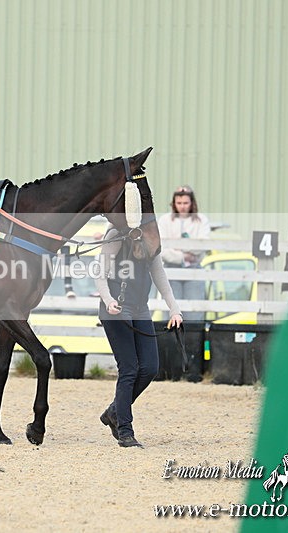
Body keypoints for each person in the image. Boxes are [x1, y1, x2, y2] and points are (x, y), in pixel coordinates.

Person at [95, 224, 183, 448]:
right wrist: (108, 300)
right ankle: (125, 430)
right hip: (116, 308)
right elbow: (100, 273)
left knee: (150, 367)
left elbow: (159, 274)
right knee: (129, 368)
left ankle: (114, 412)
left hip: (140, 308)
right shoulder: (116, 235)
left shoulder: (151, 237)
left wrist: (174, 309)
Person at [157, 185, 210, 321]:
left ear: (192, 203)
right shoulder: (164, 220)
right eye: (179, 203)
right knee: (170, 311)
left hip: (194, 269)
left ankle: (193, 341)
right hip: (170, 269)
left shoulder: (201, 220)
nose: (182, 206)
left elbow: (203, 244)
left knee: (194, 312)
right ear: (174, 203)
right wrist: (183, 256)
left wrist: (178, 247)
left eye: (185, 203)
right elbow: (161, 249)